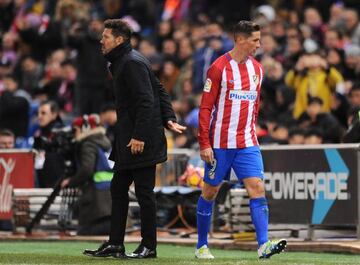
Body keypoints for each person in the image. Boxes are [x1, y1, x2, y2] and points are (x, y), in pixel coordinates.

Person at [83, 19, 186, 259]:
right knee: (118, 188)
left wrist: (140, 134)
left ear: (119, 40)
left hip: (141, 139)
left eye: (106, 36)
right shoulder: (126, 61)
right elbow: (158, 88)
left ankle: (149, 246)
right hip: (130, 136)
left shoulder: (130, 63)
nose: (101, 40)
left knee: (144, 192)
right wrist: (168, 117)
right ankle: (115, 244)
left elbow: (146, 100)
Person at [196, 20, 287, 259]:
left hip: (247, 141)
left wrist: (252, 129)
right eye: (255, 40)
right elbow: (205, 108)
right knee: (210, 192)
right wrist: (204, 143)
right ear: (240, 40)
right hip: (220, 143)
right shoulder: (218, 68)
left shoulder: (257, 69)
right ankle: (202, 245)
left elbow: (254, 105)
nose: (259, 44)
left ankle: (263, 245)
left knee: (257, 188)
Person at [61, 114, 112, 235]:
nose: (73, 134)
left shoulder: (88, 144)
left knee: (85, 232)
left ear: (84, 129)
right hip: (109, 197)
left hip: (96, 200)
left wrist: (71, 181)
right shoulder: (103, 142)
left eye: (75, 130)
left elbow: (86, 169)